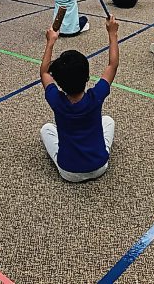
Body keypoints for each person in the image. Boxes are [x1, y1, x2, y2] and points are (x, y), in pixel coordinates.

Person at [40, 15, 119, 182]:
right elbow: (112, 65)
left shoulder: (56, 100)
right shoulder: (96, 97)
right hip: (100, 166)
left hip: (69, 172)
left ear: (59, 83)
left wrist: (50, 42)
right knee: (108, 121)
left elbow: (44, 73)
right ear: (87, 77)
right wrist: (112, 33)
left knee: (46, 129)